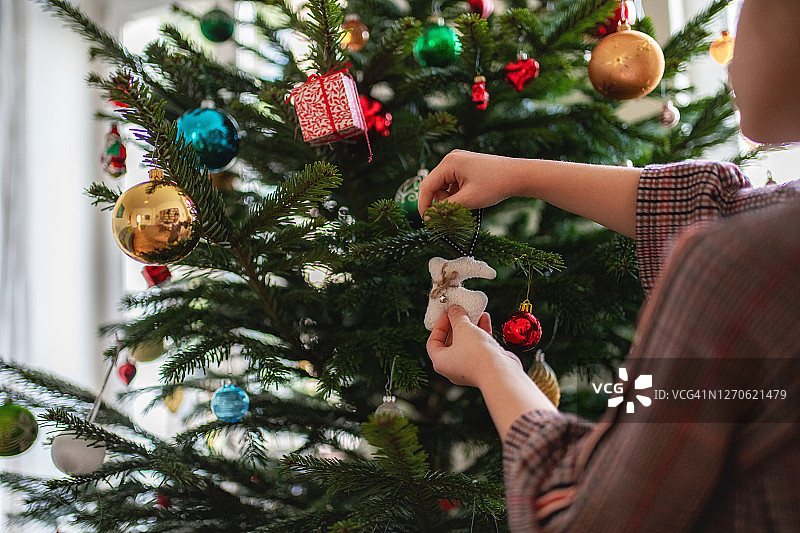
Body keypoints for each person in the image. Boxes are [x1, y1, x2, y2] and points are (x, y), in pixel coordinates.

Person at [418, 1, 800, 531]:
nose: (729, 54)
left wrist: (493, 366)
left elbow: (582, 515)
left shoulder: (735, 268)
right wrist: (520, 173)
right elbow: (721, 206)